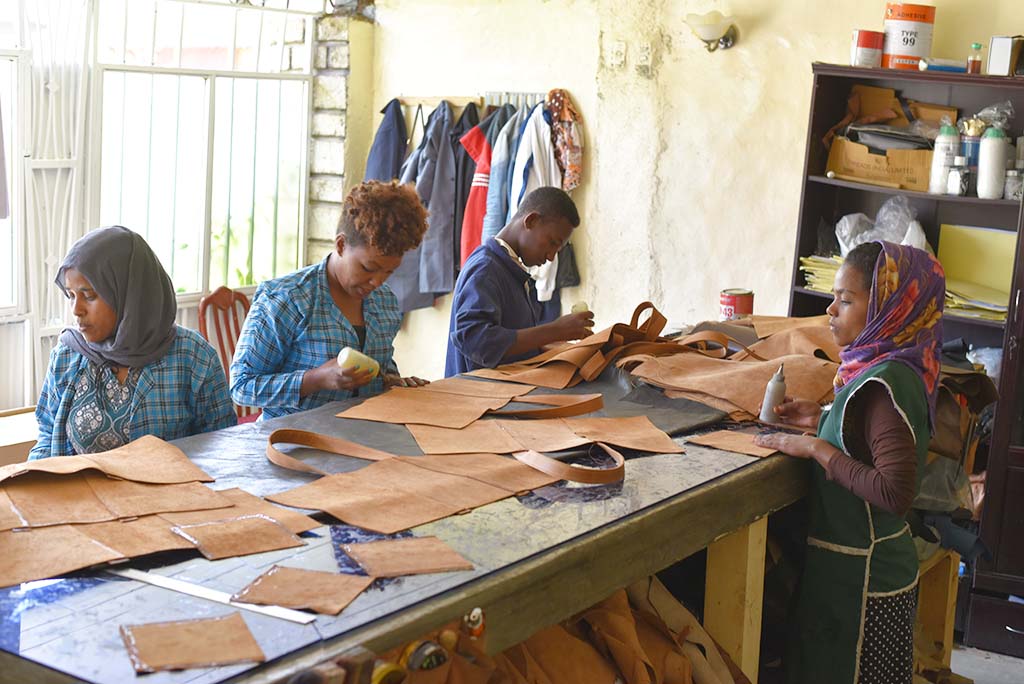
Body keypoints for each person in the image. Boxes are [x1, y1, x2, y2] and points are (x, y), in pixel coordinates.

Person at [754, 241, 945, 684]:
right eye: (833, 297)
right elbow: (869, 439)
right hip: (854, 572)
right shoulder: (888, 368)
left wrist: (817, 449)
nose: (830, 310)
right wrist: (821, 419)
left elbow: (894, 492)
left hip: (866, 579)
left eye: (846, 299)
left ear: (886, 308)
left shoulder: (885, 382)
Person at [31, 226, 236, 460]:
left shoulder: (194, 358)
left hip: (172, 495)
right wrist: (29, 487)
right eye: (70, 295)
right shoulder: (68, 355)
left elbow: (222, 448)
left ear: (129, 294)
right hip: (81, 495)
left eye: (88, 296)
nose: (76, 310)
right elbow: (47, 436)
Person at [231, 180, 429, 419]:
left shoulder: (384, 302)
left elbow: (380, 369)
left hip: (364, 437)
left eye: (389, 272)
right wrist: (315, 379)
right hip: (290, 443)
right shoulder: (287, 298)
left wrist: (393, 383)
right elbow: (242, 387)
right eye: (368, 268)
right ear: (341, 244)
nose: (377, 282)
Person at [445, 186, 594, 376]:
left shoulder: (510, 269)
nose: (551, 257)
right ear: (531, 221)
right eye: (552, 243)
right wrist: (555, 330)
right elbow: (476, 341)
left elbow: (509, 345)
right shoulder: (486, 269)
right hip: (478, 400)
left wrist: (549, 345)